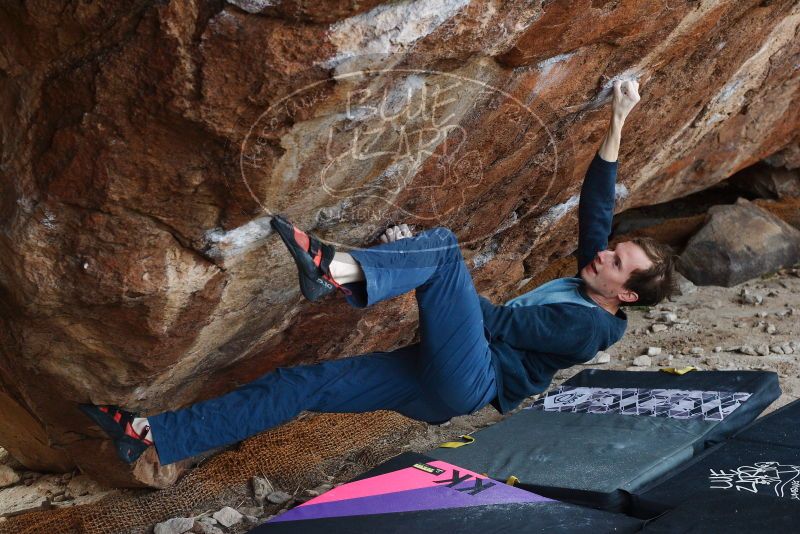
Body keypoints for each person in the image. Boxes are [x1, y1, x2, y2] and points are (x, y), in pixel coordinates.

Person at [80, 80, 677, 466]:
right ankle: (156, 436)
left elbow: (491, 323)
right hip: (436, 378)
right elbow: (596, 209)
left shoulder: (589, 328)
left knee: (442, 251)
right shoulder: (593, 279)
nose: (603, 254)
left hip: (471, 380)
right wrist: (620, 117)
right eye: (613, 250)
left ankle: (339, 273)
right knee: (302, 385)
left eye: (617, 262)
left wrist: (422, 272)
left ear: (623, 294)